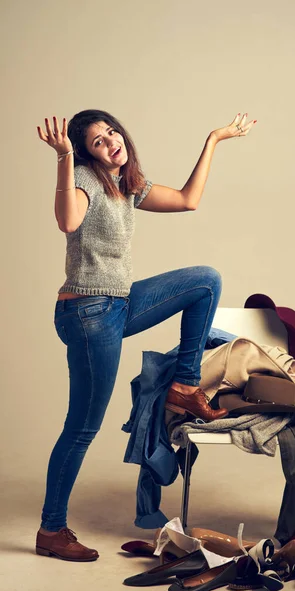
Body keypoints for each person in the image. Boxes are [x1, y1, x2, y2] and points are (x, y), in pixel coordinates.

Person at [35, 109, 257, 561]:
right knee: (82, 427)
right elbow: (67, 221)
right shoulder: (84, 177)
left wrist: (213, 139)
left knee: (205, 280)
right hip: (88, 312)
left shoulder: (127, 184)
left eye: (111, 132)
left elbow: (189, 200)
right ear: (86, 153)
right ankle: (51, 530)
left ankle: (184, 385)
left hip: (119, 302)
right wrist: (63, 158)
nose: (111, 142)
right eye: (97, 141)